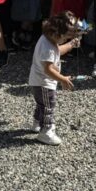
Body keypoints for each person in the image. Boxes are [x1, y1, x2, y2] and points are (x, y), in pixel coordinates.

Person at [27, 11, 80, 146]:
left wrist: (71, 45)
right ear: (57, 34)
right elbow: (48, 69)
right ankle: (46, 131)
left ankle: (37, 123)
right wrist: (62, 79)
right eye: (65, 38)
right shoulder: (48, 48)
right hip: (44, 83)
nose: (65, 41)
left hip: (37, 82)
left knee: (41, 104)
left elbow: (58, 51)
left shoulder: (47, 39)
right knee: (48, 106)